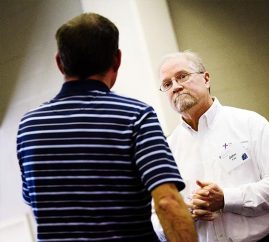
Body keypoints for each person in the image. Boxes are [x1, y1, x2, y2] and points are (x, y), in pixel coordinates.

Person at [16, 13, 198, 242]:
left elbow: (35, 199)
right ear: (117, 60)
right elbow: (166, 202)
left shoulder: (28, 127)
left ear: (60, 62)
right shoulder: (136, 116)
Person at [154, 50, 269, 242]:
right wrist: (183, 214)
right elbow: (155, 220)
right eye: (167, 84)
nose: (176, 87)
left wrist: (227, 199)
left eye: (182, 76)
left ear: (206, 79)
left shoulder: (249, 123)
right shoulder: (167, 148)